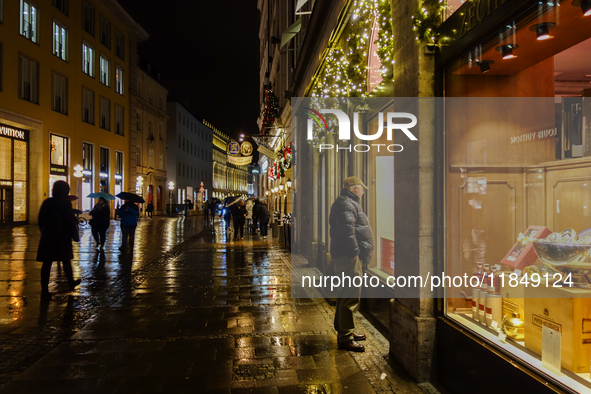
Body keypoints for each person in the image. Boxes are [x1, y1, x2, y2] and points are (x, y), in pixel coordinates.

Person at [328, 176, 374, 352]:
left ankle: (344, 329)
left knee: (344, 294)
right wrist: (354, 253)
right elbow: (347, 231)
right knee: (350, 296)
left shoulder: (346, 202)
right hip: (349, 258)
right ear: (355, 188)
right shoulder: (346, 203)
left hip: (346, 256)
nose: (363, 191)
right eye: (362, 188)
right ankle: (345, 337)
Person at [36, 180, 81, 300]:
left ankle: (44, 290)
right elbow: (69, 221)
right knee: (66, 261)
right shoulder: (65, 203)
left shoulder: (47, 202)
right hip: (62, 237)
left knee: (46, 264)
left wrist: (45, 232)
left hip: (48, 238)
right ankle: (71, 283)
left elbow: (40, 220)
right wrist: (75, 235)